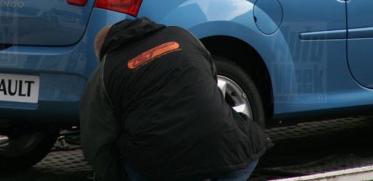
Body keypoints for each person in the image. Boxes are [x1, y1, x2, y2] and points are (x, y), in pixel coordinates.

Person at [81, 17, 272, 181]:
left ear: (105, 51)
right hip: (224, 149)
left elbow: (96, 144)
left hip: (157, 164)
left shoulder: (105, 70)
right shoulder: (182, 36)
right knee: (248, 142)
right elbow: (210, 80)